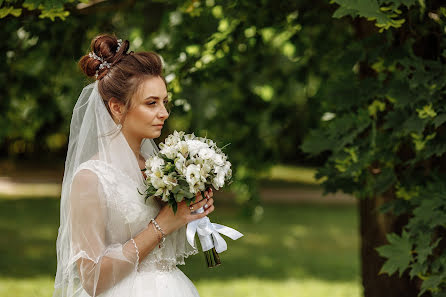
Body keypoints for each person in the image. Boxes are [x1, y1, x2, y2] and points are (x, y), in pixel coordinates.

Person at [52, 34, 215, 297]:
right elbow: (92, 280)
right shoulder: (90, 178)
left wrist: (191, 209)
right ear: (117, 107)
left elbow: (166, 245)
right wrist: (163, 224)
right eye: (151, 103)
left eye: (164, 102)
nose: (164, 112)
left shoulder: (159, 168)